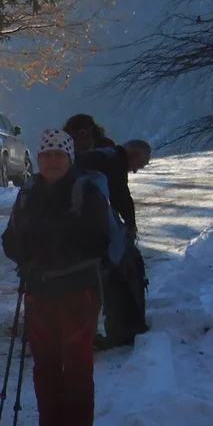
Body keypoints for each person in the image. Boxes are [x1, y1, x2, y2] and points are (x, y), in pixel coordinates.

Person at [0, 128, 115, 426]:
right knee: (45, 366)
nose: (52, 160)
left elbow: (100, 239)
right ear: (38, 158)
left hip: (78, 291)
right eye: (47, 155)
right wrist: (26, 255)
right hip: (39, 290)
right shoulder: (28, 193)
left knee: (77, 365)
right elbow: (10, 239)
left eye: (59, 155)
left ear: (69, 158)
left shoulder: (86, 190)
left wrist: (52, 249)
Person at [67, 122, 153, 347]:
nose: (136, 170)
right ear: (132, 154)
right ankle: (114, 326)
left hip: (73, 215)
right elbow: (121, 197)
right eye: (139, 164)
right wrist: (130, 225)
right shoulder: (112, 161)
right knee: (106, 267)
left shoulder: (104, 157)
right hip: (78, 221)